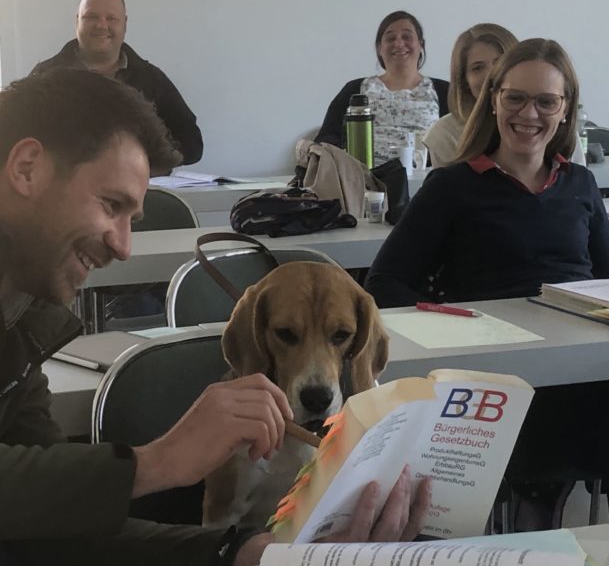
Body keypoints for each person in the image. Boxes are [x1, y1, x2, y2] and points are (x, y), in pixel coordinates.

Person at [0, 68, 431, 565]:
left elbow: (50, 515)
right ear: (27, 168)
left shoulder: (25, 318)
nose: (122, 246)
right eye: (110, 205)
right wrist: (156, 462)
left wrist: (242, 552)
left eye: (131, 219)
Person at [365, 38, 609, 309]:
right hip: (490, 344)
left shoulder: (580, 182)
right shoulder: (450, 187)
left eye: (547, 102)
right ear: (494, 100)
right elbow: (384, 282)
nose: (529, 113)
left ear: (565, 109)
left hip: (583, 345)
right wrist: (450, 323)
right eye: (515, 98)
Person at [31, 0, 203, 166]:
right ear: (77, 21)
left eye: (111, 18)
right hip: (64, 191)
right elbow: (17, 138)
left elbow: (192, 143)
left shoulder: (151, 79)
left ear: (125, 24)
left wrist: (146, 164)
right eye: (92, 17)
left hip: (137, 190)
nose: (101, 25)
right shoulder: (45, 77)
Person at [315, 10, 449, 166]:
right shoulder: (354, 90)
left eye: (407, 37)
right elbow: (327, 140)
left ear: (421, 44)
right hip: (364, 182)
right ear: (380, 47)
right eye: (390, 38)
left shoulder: (444, 91)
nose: (399, 44)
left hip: (426, 183)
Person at [423, 23, 518, 167]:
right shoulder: (445, 135)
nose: (490, 76)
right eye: (478, 68)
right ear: (464, 80)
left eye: (499, 63)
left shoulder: (535, 121)